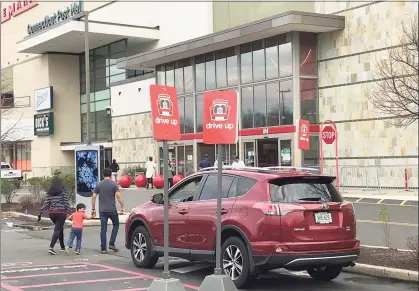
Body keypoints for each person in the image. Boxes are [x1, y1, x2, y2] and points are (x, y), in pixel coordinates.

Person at [38, 169, 72, 255]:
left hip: (52, 213)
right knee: (57, 229)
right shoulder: (63, 192)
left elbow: (46, 203)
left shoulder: (50, 193)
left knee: (59, 228)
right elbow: (66, 203)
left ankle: (62, 246)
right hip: (61, 213)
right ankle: (51, 247)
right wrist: (71, 213)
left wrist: (40, 213)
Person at [91, 168, 125, 254]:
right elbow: (118, 196)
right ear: (110, 175)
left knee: (103, 229)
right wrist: (122, 207)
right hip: (112, 209)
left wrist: (93, 208)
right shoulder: (114, 184)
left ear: (103, 175)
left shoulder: (99, 184)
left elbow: (94, 196)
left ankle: (103, 248)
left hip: (102, 210)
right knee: (116, 225)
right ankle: (111, 243)